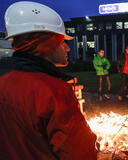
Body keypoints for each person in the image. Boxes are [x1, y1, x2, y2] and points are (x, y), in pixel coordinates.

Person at [0, 2, 97, 159]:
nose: (67, 48)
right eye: (62, 42)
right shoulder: (55, 91)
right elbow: (80, 153)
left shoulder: (3, 83)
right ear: (47, 44)